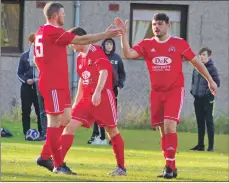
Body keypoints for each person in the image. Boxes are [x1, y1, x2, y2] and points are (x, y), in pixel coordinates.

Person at [114, 13, 217, 179]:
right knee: (162, 130)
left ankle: (169, 167)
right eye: (154, 24)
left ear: (168, 25)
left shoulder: (178, 43)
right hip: (156, 93)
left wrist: (210, 81)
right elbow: (128, 54)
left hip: (174, 91)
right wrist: (123, 34)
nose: (156, 27)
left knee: (170, 125)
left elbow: (196, 62)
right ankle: (171, 166)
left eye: (160, 24)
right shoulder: (147, 44)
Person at [34, 2, 121, 175]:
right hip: (52, 85)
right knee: (55, 122)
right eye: (63, 14)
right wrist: (105, 34)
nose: (64, 16)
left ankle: (45, 156)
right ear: (54, 16)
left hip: (59, 84)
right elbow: (81, 39)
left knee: (66, 120)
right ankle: (58, 164)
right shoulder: (52, 31)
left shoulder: (42, 32)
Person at [60, 27, 126, 176]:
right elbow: (83, 82)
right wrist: (76, 102)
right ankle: (59, 164)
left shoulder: (95, 51)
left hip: (102, 97)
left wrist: (97, 92)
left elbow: (104, 71)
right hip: (86, 99)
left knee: (112, 130)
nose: (71, 46)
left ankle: (121, 167)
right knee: (69, 126)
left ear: (82, 39)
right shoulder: (79, 58)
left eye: (73, 42)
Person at [88, 38, 126, 145]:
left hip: (112, 90)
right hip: (99, 89)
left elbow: (122, 74)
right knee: (96, 113)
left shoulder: (117, 58)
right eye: (107, 44)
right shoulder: (99, 56)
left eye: (111, 44)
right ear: (103, 45)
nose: (108, 46)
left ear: (113, 46)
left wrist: (119, 85)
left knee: (111, 115)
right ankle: (97, 135)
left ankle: (112, 138)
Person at [190, 47, 220, 152]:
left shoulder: (212, 69)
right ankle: (200, 145)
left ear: (209, 57)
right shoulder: (196, 68)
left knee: (209, 122)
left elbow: (217, 83)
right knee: (200, 123)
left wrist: (207, 93)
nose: (201, 57)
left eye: (204, 55)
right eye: (200, 55)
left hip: (207, 100)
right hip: (197, 99)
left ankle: (211, 147)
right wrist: (192, 91)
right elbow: (193, 81)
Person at [17, 33, 45, 141]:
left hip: (39, 87)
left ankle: (41, 133)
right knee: (26, 111)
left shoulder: (42, 56)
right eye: (32, 41)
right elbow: (19, 73)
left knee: (40, 111)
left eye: (36, 42)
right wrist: (26, 80)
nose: (34, 44)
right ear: (29, 42)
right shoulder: (24, 56)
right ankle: (26, 133)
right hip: (26, 88)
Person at [29, 33, 48, 137]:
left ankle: (52, 133)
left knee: (51, 109)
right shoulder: (34, 46)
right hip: (40, 79)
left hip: (50, 80)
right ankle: (45, 132)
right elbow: (32, 62)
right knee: (42, 110)